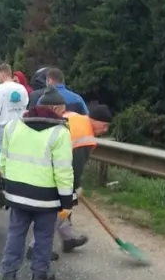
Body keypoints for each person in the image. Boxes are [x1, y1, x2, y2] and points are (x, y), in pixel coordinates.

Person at [0, 85, 74, 280]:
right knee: (43, 237)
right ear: (57, 109)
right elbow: (63, 171)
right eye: (63, 109)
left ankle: (9, 274)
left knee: (16, 233)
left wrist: (7, 187)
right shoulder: (60, 133)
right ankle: (39, 275)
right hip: (46, 198)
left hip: (16, 194)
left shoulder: (13, 126)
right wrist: (67, 201)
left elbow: (3, 161)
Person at [26, 103, 113, 259]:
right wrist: (74, 188)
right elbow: (75, 166)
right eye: (104, 125)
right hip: (53, 171)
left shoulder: (73, 116)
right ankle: (36, 247)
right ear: (94, 120)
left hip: (40, 161)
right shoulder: (86, 136)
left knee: (60, 209)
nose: (105, 130)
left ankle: (68, 239)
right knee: (58, 210)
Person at [0, 63, 29, 144]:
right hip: (19, 126)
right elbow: (25, 105)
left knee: (0, 152)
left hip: (3, 127)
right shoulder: (21, 88)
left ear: (2, 74)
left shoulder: (1, 88)